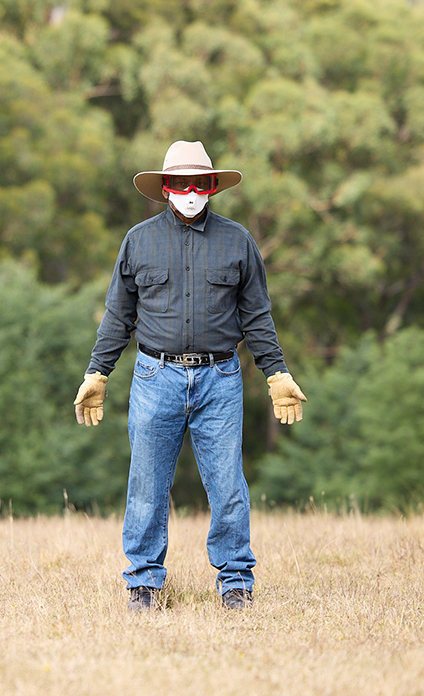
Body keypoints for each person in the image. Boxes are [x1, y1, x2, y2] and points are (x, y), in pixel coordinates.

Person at [73, 140, 307, 612]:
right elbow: (118, 315)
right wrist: (98, 373)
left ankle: (236, 581)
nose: (190, 191)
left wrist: (276, 371)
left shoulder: (238, 241)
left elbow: (257, 316)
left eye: (199, 182)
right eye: (179, 183)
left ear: (213, 186)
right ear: (164, 188)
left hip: (220, 380)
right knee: (146, 484)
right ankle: (143, 583)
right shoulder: (138, 241)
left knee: (227, 485)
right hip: (153, 378)